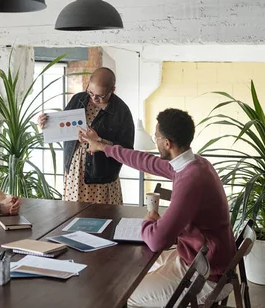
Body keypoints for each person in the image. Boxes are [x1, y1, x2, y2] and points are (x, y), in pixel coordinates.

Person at [81, 108, 236, 307]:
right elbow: (146, 161)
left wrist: (148, 221)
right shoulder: (195, 164)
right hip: (200, 257)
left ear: (166, 143)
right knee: (133, 269)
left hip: (207, 275)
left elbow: (156, 240)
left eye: (156, 136)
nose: (154, 140)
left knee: (120, 293)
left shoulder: (191, 180)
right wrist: (103, 147)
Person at [38, 67, 134, 204]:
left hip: (102, 175)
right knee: (72, 216)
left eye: (100, 96)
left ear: (112, 90)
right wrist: (45, 124)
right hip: (75, 170)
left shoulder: (121, 111)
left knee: (102, 217)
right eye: (90, 92)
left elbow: (127, 150)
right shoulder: (79, 99)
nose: (94, 98)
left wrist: (99, 140)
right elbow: (61, 125)